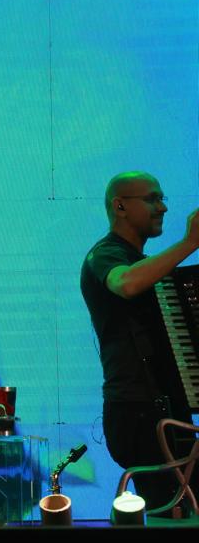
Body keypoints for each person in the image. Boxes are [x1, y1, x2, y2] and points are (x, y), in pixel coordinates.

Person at [81, 171, 199, 509]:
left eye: (162, 198)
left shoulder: (144, 264)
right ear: (120, 206)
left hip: (162, 407)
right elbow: (127, 284)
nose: (162, 207)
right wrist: (190, 242)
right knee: (169, 508)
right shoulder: (105, 254)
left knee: (183, 507)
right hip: (136, 411)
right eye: (152, 198)